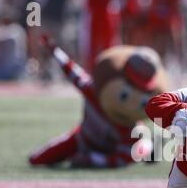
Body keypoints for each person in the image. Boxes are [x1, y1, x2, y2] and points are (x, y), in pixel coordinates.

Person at [29, 36, 168, 168]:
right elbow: (72, 71)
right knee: (37, 159)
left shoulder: (131, 130)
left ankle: (150, 147)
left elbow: (121, 159)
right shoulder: (93, 92)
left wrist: (93, 159)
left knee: (139, 148)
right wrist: (54, 51)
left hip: (113, 147)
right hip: (83, 139)